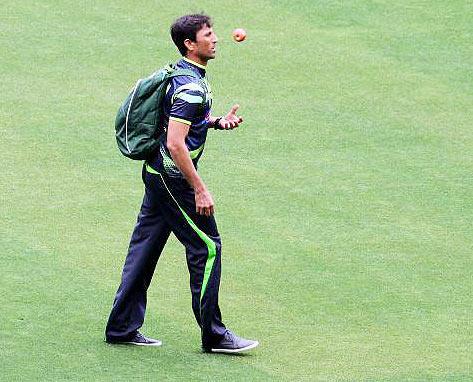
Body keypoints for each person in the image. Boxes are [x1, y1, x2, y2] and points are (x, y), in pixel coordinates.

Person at [105, 14, 259, 354]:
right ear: (191, 44)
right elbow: (176, 143)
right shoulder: (190, 86)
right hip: (173, 180)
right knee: (207, 247)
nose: (216, 39)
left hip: (157, 173)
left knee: (143, 250)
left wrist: (216, 122)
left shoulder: (184, 75)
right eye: (208, 34)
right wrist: (200, 188)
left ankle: (121, 327)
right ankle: (215, 335)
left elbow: (186, 122)